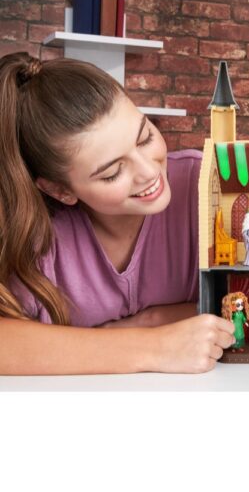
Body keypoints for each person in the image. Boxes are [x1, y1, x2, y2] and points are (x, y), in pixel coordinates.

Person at [0, 52, 235, 375]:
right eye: (112, 173)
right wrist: (154, 345)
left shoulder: (206, 186)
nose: (149, 172)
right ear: (60, 190)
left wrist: (146, 321)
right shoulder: (37, 231)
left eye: (145, 137)